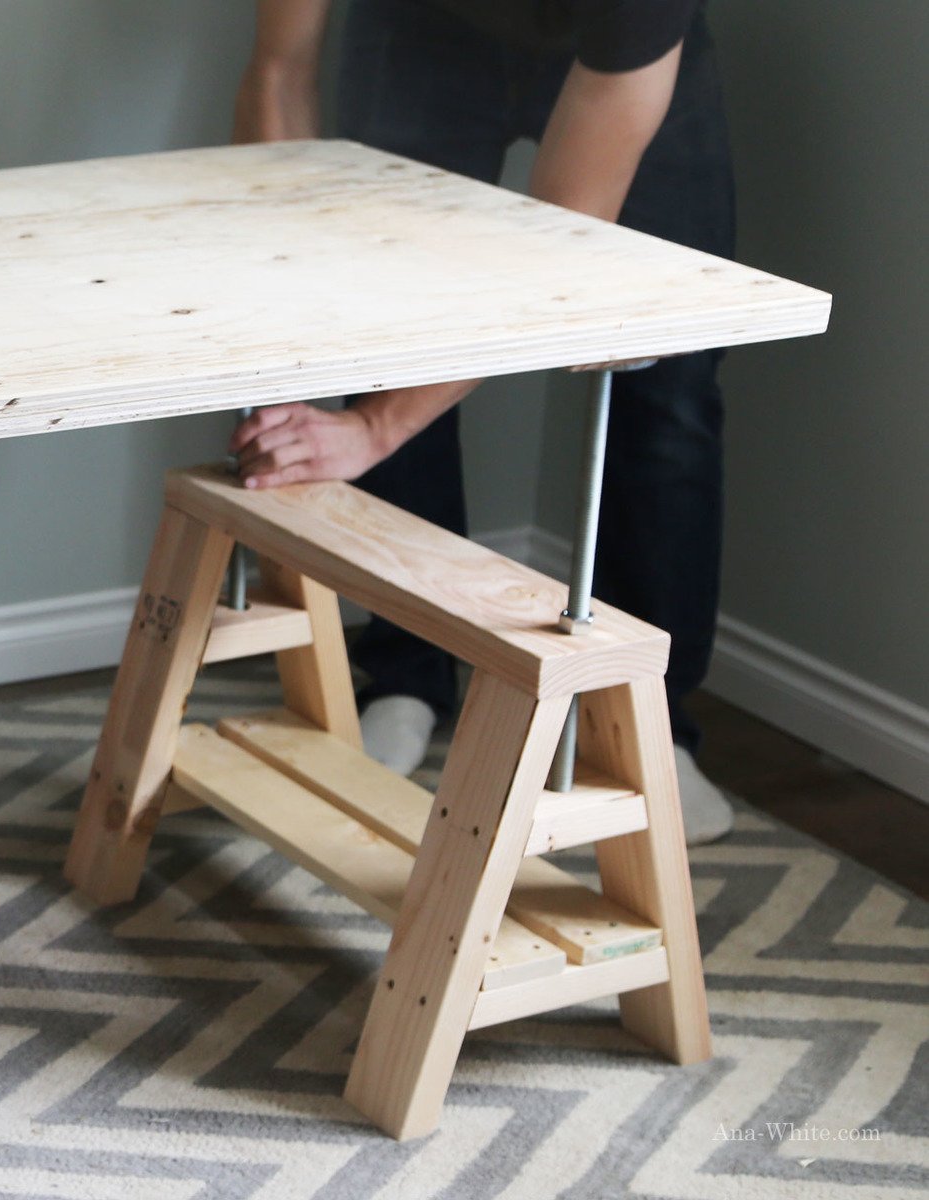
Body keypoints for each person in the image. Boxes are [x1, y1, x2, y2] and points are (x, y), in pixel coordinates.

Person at [230, 0, 735, 844]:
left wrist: (377, 428)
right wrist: (309, 336)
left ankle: (650, 721)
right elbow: (282, 71)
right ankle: (404, 676)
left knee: (664, 375)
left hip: (621, 55)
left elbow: (559, 242)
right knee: (388, 324)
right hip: (422, 30)